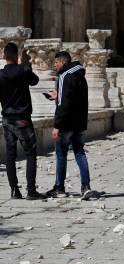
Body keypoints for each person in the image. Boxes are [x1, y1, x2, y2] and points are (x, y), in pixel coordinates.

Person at [45, 51, 94, 200]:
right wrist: (58, 95)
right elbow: (75, 99)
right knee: (80, 153)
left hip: (66, 124)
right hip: (79, 123)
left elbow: (63, 104)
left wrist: (56, 125)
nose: (54, 66)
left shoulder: (64, 76)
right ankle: (86, 187)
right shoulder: (80, 75)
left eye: (55, 63)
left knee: (61, 155)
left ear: (62, 62)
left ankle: (59, 188)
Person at [0, 42, 45, 199]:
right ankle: (31, 190)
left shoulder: (0, 74)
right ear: (17, 56)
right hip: (22, 119)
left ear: (4, 56)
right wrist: (25, 66)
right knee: (30, 153)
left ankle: (14, 190)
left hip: (7, 119)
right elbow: (35, 81)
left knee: (10, 155)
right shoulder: (24, 70)